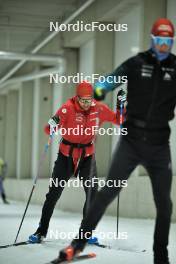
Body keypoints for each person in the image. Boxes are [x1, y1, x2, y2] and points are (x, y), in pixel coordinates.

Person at [57, 18, 176, 264]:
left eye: (168, 41)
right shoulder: (137, 62)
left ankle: (161, 257)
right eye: (160, 41)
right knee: (107, 192)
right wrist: (100, 89)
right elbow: (113, 78)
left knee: (164, 204)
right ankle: (78, 244)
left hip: (159, 144)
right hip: (131, 141)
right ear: (153, 40)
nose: (164, 45)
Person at [28, 81, 124, 243]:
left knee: (93, 193)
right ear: (77, 98)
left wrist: (121, 106)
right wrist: (52, 124)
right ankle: (40, 231)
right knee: (53, 194)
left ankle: (85, 233)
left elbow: (119, 120)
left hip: (87, 157)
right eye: (83, 100)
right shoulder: (67, 108)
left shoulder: (99, 108)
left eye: (89, 100)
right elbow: (48, 130)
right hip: (66, 156)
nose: (86, 104)